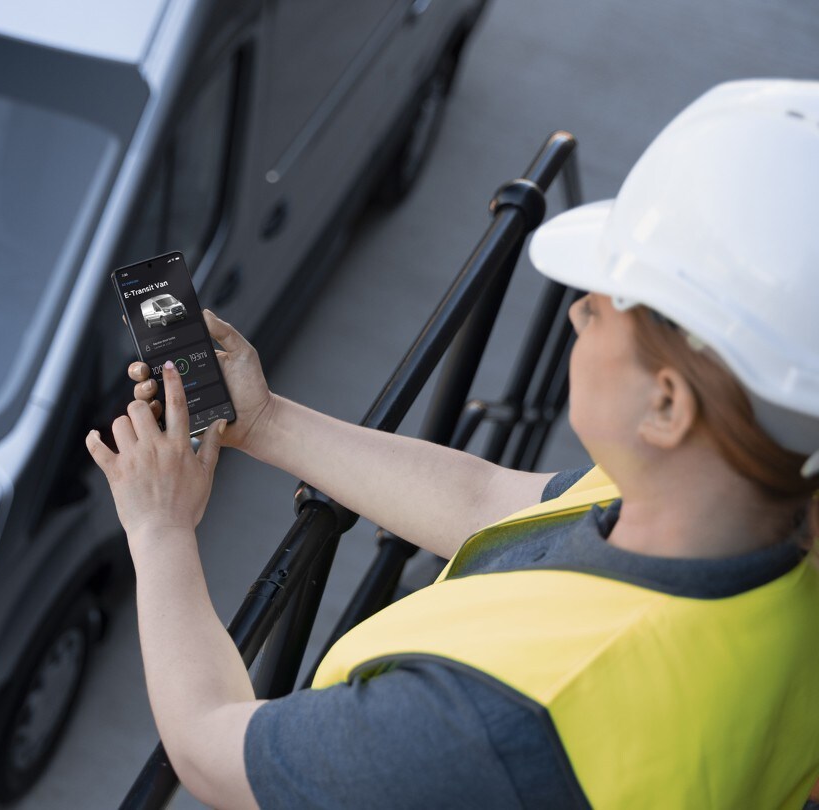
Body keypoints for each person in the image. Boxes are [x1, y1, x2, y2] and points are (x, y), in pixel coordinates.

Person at [84, 79, 819, 809]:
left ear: (667, 404)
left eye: (602, 306)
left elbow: (211, 748)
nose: (574, 316)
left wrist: (159, 528)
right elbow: (489, 503)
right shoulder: (744, 526)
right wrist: (269, 421)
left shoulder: (492, 721)